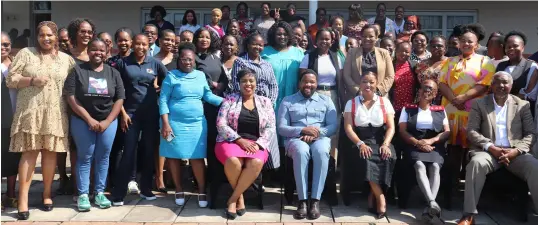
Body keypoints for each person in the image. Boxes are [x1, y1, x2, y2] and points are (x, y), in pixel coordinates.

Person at [7, 21, 76, 220]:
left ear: (56, 37)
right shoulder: (26, 53)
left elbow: (72, 87)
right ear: (37, 37)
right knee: (29, 153)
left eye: (50, 35)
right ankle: (23, 200)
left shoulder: (66, 60)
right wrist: (31, 81)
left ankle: (47, 194)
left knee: (50, 153)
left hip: (55, 112)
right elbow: (11, 79)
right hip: (30, 112)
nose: (46, 38)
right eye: (42, 35)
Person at [459, 71, 538, 225]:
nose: (501, 86)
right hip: (488, 151)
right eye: (498, 82)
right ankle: (468, 215)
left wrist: (516, 151)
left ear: (511, 85)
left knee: (535, 167)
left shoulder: (522, 105)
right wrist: (491, 147)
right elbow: (471, 131)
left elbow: (531, 134)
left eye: (505, 82)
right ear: (492, 85)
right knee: (476, 164)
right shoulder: (480, 104)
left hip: (515, 153)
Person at [438, 24, 495, 208]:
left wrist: (464, 97)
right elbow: (441, 82)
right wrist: (455, 99)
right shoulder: (450, 61)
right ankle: (449, 193)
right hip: (452, 114)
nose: (466, 43)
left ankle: (471, 196)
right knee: (453, 154)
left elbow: (485, 84)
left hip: (473, 114)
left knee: (472, 155)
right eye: (463, 40)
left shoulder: (485, 61)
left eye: (470, 41)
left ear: (476, 44)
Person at [159, 42, 223, 207]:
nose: (187, 62)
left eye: (190, 59)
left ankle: (201, 190)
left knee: (197, 156)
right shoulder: (171, 76)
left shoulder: (200, 76)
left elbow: (208, 96)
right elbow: (163, 100)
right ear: (179, 60)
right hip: (173, 123)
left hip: (196, 124)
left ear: (194, 59)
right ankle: (179, 189)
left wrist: (228, 101)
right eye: (184, 59)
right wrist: (165, 123)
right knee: (173, 155)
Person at [64, 39, 125, 211]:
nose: (97, 53)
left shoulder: (113, 73)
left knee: (103, 156)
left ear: (107, 52)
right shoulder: (77, 71)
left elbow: (119, 98)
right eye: (93, 50)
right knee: (85, 156)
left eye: (101, 50)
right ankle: (83, 195)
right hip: (82, 120)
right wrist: (89, 119)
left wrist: (107, 121)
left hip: (108, 121)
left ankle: (99, 193)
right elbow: (71, 97)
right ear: (88, 52)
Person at [111, 34, 168, 206]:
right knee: (128, 153)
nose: (141, 47)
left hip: (151, 114)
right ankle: (118, 194)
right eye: (137, 44)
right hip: (130, 115)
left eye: (144, 44)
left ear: (148, 45)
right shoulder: (123, 63)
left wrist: (158, 91)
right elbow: (116, 90)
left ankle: (146, 189)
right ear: (132, 45)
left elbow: (168, 81)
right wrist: (122, 113)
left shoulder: (155, 63)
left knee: (149, 151)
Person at [216, 68, 276, 219]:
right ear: (238, 83)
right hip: (230, 140)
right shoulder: (229, 99)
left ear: (256, 83)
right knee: (233, 162)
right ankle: (239, 197)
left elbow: (271, 127)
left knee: (256, 162)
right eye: (244, 81)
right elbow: (221, 124)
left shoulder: (265, 102)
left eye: (251, 81)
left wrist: (259, 143)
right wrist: (239, 140)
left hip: (256, 143)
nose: (248, 84)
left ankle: (232, 199)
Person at [278, 69, 337, 220]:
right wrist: (302, 130)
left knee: (322, 150)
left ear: (317, 84)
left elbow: (332, 126)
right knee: (301, 150)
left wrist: (317, 133)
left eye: (312, 82)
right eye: (305, 81)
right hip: (296, 139)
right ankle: (303, 201)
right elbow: (281, 128)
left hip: (319, 138)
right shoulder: (287, 100)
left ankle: (315, 201)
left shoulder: (326, 101)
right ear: (299, 83)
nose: (308, 85)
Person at [343, 72, 396, 219]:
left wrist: (386, 144)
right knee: (367, 159)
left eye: (372, 82)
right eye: (365, 81)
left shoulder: (384, 102)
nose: (368, 85)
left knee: (388, 156)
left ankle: (372, 196)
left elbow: (391, 127)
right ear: (360, 84)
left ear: (376, 84)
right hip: (360, 139)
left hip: (381, 138)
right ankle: (380, 198)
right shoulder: (351, 103)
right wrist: (360, 143)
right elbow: (348, 128)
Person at [399, 79, 450, 223]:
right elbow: (402, 131)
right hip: (414, 145)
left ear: (435, 95)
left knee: (435, 167)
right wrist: (418, 143)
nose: (427, 91)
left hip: (435, 146)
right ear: (419, 90)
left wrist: (431, 141)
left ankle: (429, 208)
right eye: (424, 88)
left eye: (431, 90)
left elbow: (446, 132)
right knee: (420, 165)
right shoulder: (408, 109)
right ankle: (432, 204)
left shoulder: (440, 110)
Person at [228, 32, 280, 169]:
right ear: (248, 45)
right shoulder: (240, 62)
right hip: (247, 105)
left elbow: (273, 85)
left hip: (266, 106)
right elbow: (236, 84)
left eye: (261, 45)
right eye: (254, 44)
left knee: (266, 138)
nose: (258, 47)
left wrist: (270, 102)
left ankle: (264, 172)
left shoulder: (267, 64)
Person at [299, 28, 344, 157]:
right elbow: (302, 80)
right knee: (315, 127)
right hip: (315, 95)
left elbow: (340, 79)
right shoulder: (309, 56)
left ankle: (332, 163)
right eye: (321, 39)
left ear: (332, 41)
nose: (324, 41)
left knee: (333, 130)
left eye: (327, 39)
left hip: (333, 95)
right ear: (316, 41)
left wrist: (342, 100)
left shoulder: (336, 56)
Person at [152, 29, 177, 192]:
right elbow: (153, 84)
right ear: (159, 41)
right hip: (159, 104)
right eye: (166, 39)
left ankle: (171, 175)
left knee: (173, 140)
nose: (169, 42)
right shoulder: (153, 60)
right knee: (161, 141)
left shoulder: (178, 60)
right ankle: (159, 177)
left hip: (176, 106)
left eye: (172, 40)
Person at [343, 24, 395, 101]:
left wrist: (378, 91)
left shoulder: (384, 53)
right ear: (360, 37)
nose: (367, 39)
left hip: (379, 98)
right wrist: (358, 91)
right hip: (357, 98)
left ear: (377, 38)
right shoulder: (352, 52)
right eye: (364, 36)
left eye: (371, 36)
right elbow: (346, 75)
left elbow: (390, 76)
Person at [262, 21, 304, 113]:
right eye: (279, 34)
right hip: (270, 97)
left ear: (289, 35)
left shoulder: (298, 53)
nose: (282, 37)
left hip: (293, 96)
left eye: (285, 34)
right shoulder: (264, 52)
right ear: (273, 35)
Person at [496, 31, 538, 116]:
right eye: (508, 47)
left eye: (515, 46)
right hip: (500, 112)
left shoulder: (531, 66)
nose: (511, 49)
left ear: (523, 48)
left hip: (522, 113)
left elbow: (530, 93)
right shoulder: (501, 66)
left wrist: (505, 99)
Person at [1, 32, 21, 211]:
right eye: (0, 44)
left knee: (13, 158)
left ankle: (11, 194)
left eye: (6, 44)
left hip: (15, 118)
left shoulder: (16, 65)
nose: (3, 47)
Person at [415, 35, 448, 105]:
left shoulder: (451, 63)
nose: (436, 48)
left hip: (443, 100)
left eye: (440, 46)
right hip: (423, 100)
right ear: (429, 48)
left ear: (445, 48)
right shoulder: (421, 64)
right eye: (433, 46)